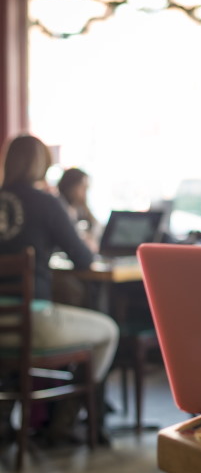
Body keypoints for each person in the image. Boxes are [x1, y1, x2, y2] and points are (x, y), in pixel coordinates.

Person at [0, 134, 119, 444]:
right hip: (34, 321)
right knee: (108, 330)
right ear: (42, 164)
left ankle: (4, 423)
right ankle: (64, 423)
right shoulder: (45, 202)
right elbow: (82, 257)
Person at [57, 167, 101, 253]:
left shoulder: (82, 210)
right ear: (70, 187)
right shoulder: (59, 209)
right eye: (83, 188)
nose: (85, 193)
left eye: (87, 189)